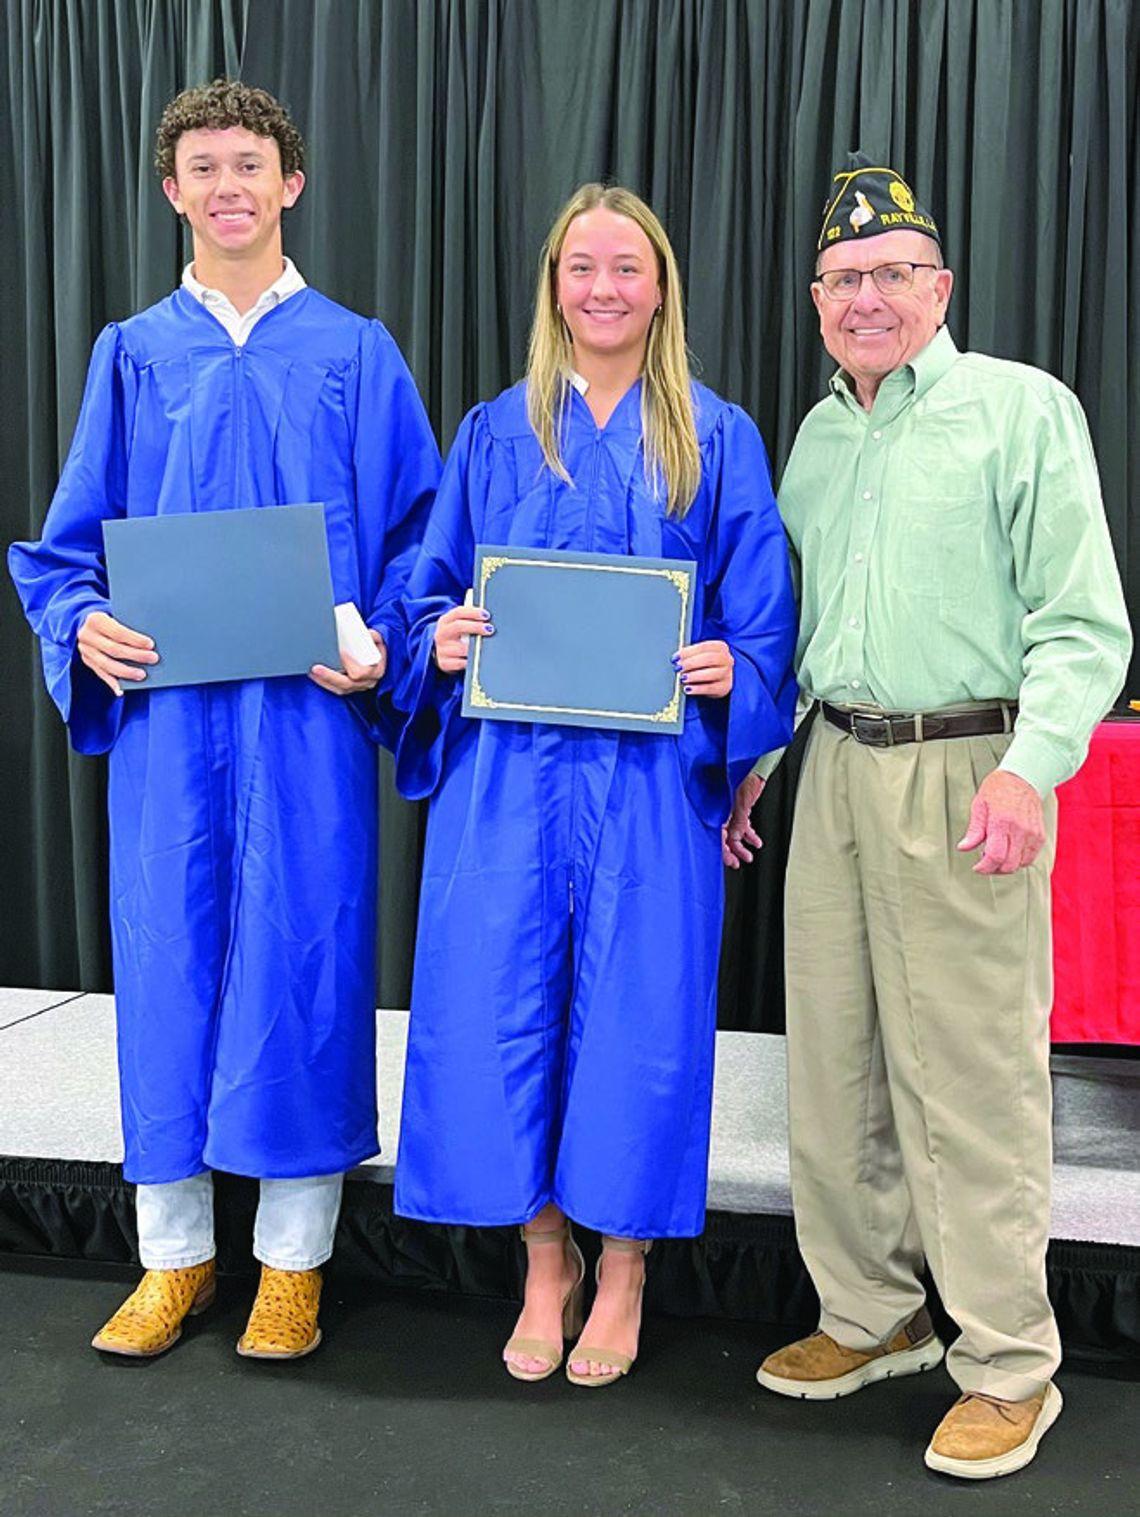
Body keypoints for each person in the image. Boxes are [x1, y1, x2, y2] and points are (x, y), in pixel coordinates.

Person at [8, 79, 440, 1360]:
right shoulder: (132, 353)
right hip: (172, 729)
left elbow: (420, 544)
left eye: (250, 163)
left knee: (303, 968)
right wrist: (81, 620)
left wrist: (382, 645)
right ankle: (172, 1256)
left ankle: (292, 1260)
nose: (228, 186)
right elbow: (71, 545)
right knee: (170, 969)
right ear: (172, 191)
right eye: (203, 167)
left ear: (291, 184)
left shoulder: (356, 352)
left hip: (304, 724)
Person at [725, 152, 1131, 1477]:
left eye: (891, 274)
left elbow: (1082, 622)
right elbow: (814, 627)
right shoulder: (817, 436)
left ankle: (1009, 1361)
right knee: (835, 1065)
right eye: (841, 280)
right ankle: (875, 1312)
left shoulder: (1023, 411)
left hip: (972, 764)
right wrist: (763, 757)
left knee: (970, 1080)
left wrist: (1035, 762)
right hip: (835, 762)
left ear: (940, 285)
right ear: (816, 298)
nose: (865, 298)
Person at [392, 183, 797, 1386]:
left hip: (649, 787)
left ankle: (623, 1269)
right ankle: (543, 1260)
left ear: (661, 285)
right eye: (582, 266)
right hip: (510, 785)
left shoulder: (714, 437)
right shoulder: (493, 431)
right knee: (503, 1007)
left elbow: (767, 624)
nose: (603, 288)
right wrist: (441, 639)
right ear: (553, 283)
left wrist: (738, 668)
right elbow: (426, 595)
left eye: (627, 266)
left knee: (637, 1024)